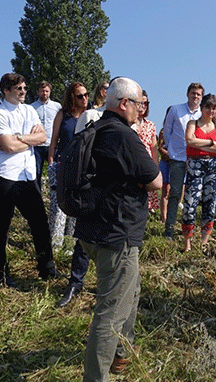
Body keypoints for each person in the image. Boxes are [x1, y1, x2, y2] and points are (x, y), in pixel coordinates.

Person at [75, 77, 161, 381]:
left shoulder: (93, 128)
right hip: (117, 233)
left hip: (91, 229)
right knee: (110, 311)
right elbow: (156, 180)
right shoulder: (123, 135)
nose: (141, 110)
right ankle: (97, 376)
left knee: (131, 291)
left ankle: (122, 355)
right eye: (138, 104)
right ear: (124, 103)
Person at [0, 73, 56, 287]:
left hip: (27, 175)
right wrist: (28, 140)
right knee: (1, 226)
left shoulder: (29, 111)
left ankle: (47, 268)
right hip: (4, 175)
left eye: (25, 88)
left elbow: (43, 137)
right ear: (6, 90)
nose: (23, 91)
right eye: (19, 88)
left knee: (40, 223)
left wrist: (18, 138)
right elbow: (7, 147)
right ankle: (0, 275)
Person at [48, 82, 89, 249]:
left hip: (82, 167)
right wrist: (51, 163)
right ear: (72, 97)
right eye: (80, 96)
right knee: (58, 208)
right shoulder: (63, 115)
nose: (85, 99)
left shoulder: (90, 115)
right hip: (62, 164)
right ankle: (55, 245)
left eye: (86, 95)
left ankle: (70, 244)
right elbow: (54, 140)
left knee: (76, 207)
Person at [182, 94, 216, 252]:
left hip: (213, 167)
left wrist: (200, 145)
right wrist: (211, 143)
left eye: (213, 107)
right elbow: (189, 140)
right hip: (195, 164)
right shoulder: (192, 123)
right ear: (201, 108)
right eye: (208, 107)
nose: (211, 110)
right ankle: (187, 243)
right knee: (190, 203)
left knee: (210, 204)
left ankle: (204, 242)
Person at [162, 83, 204, 238]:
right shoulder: (176, 110)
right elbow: (167, 131)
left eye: (199, 94)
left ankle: (188, 230)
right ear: (187, 94)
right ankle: (170, 229)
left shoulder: (202, 113)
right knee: (175, 193)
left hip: (196, 158)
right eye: (193, 93)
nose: (195, 96)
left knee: (193, 196)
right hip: (179, 158)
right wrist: (170, 149)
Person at [31, 81, 62, 190]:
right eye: (42, 91)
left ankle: (55, 197)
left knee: (54, 171)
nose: (44, 93)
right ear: (38, 92)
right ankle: (38, 199)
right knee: (36, 172)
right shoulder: (31, 108)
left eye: (47, 91)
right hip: (37, 145)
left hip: (51, 144)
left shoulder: (57, 106)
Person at [135, 90, 159, 214]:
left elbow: (153, 148)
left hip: (147, 163)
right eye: (140, 103)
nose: (143, 106)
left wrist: (155, 167)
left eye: (145, 103)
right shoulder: (128, 123)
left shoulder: (151, 125)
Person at [157, 107, 172, 223]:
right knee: (165, 191)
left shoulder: (180, 130)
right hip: (166, 162)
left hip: (176, 163)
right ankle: (164, 216)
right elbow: (160, 147)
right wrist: (170, 155)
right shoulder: (163, 131)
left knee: (174, 191)